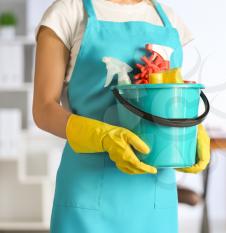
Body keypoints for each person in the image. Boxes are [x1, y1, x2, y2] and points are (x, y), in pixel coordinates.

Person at [33, 0, 210, 232]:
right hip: (89, 192)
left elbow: (169, 96)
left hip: (155, 196)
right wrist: (103, 136)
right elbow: (43, 110)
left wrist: (192, 130)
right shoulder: (68, 12)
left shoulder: (167, 18)